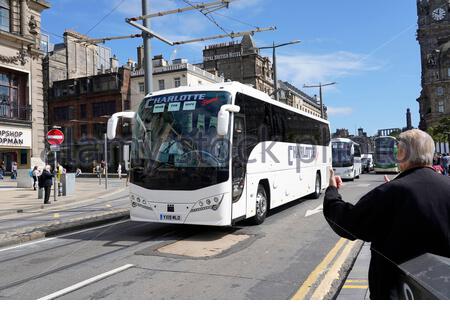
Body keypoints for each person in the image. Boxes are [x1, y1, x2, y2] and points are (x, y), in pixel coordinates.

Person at [323, 129, 450, 299]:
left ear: (402, 153)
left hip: (398, 291)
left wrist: (332, 191)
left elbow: (348, 223)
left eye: (397, 149)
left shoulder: (391, 192)